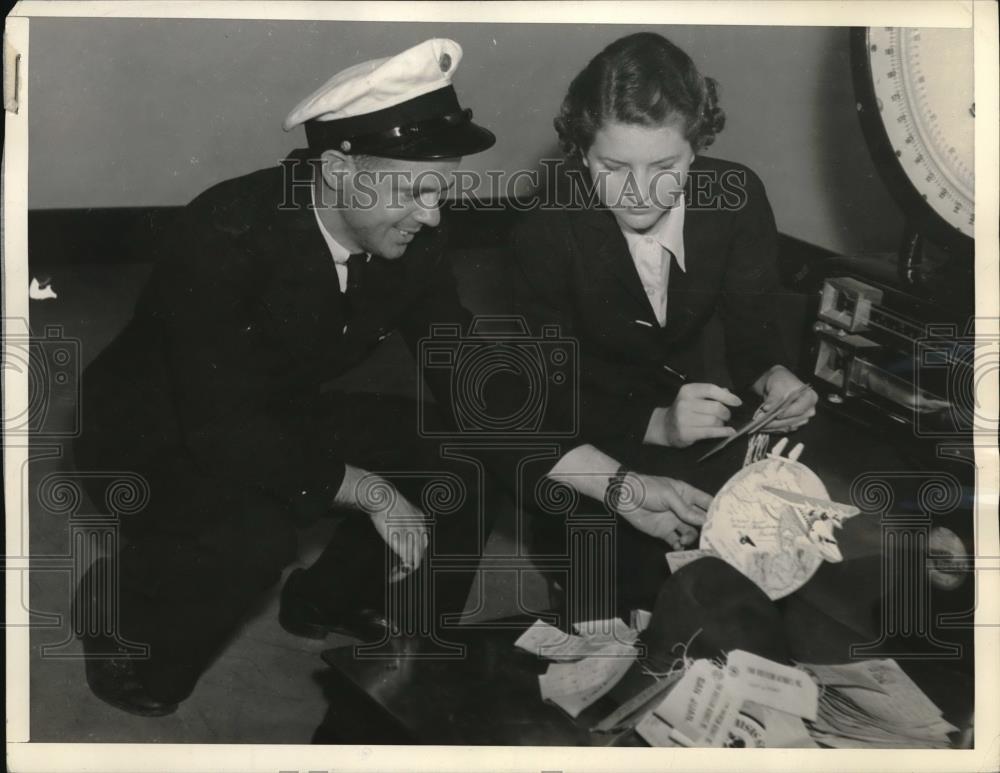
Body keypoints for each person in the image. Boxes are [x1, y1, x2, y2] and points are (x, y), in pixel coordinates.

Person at [73, 37, 710, 718]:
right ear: (340, 170)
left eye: (441, 189)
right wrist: (371, 490)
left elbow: (475, 389)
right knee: (252, 537)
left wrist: (621, 485)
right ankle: (121, 613)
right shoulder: (223, 234)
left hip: (279, 410)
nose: (434, 214)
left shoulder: (414, 234)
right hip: (157, 439)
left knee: (457, 460)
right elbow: (224, 429)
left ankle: (347, 614)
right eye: (415, 189)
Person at [511, 32, 819, 605]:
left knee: (764, 554)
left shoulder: (737, 198)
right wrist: (654, 423)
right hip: (588, 438)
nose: (638, 192)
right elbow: (536, 401)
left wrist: (774, 376)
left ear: (697, 148)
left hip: (696, 425)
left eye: (665, 165)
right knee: (626, 599)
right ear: (579, 152)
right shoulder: (545, 226)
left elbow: (755, 341)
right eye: (612, 165)